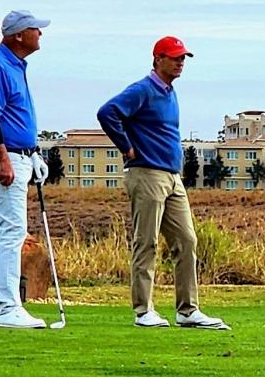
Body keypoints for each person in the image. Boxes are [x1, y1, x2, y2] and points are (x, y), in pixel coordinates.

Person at [96, 36, 229, 330]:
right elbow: (108, 113)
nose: (181, 63)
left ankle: (187, 310)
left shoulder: (170, 92)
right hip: (147, 173)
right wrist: (126, 146)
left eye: (183, 58)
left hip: (172, 176)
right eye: (175, 57)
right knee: (147, 242)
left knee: (187, 240)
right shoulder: (142, 89)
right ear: (158, 59)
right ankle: (143, 310)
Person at [0, 11, 52, 328]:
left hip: (17, 156)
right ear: (18, 35)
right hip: (1, 158)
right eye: (35, 30)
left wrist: (32, 154)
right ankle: (7, 306)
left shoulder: (14, 66)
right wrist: (5, 158)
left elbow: (14, 118)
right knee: (14, 231)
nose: (40, 35)